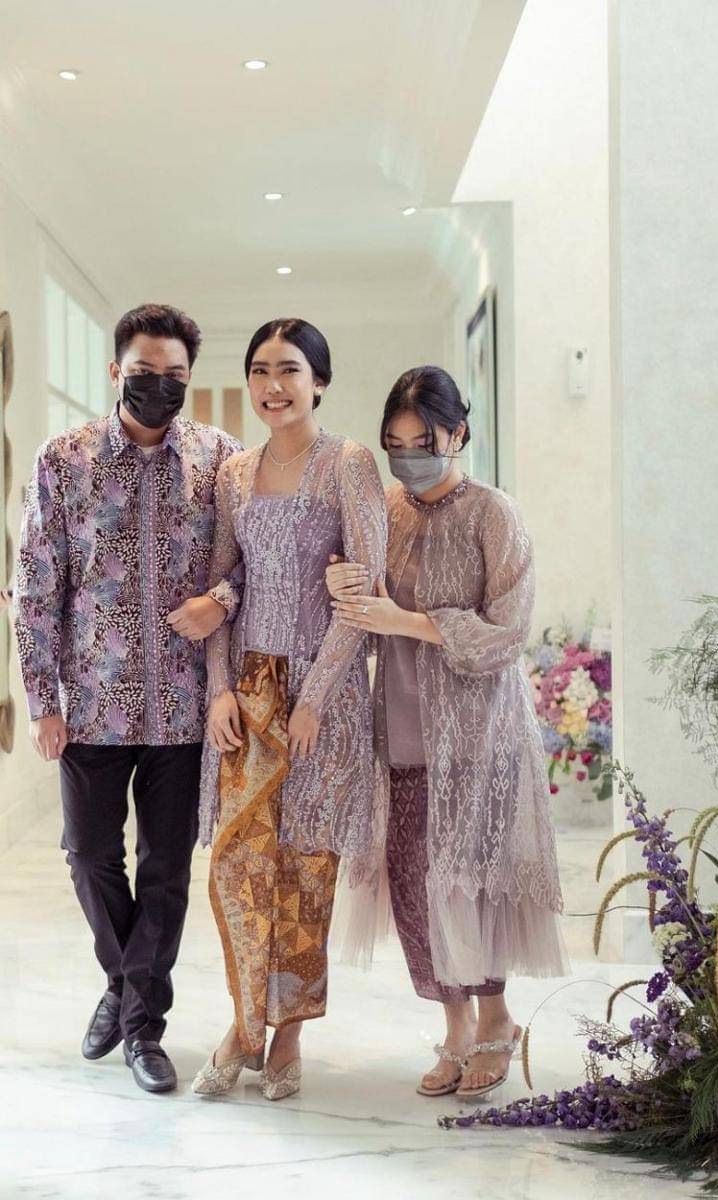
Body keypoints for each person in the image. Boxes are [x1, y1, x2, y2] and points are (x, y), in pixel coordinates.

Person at [13, 304, 243, 1093]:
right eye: (146, 372)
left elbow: (252, 560)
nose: (160, 386)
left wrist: (219, 599)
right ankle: (126, 981)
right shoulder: (63, 460)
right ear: (116, 372)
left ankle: (143, 1027)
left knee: (166, 870)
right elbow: (35, 588)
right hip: (92, 704)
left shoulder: (220, 460)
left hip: (182, 706)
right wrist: (42, 700)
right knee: (87, 855)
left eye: (176, 375)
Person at [327, 365, 566, 1100]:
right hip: (399, 727)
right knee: (412, 882)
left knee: (471, 881)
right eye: (395, 444)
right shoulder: (385, 510)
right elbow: (358, 606)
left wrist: (408, 621)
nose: (408, 458)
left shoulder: (494, 514)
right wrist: (343, 586)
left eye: (423, 442)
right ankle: (455, 1025)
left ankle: (496, 1021)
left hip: (478, 734)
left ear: (458, 433)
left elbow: (508, 632)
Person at [193, 318, 387, 1101]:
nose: (274, 385)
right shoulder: (234, 475)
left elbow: (364, 591)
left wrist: (314, 700)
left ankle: (288, 1035)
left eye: (291, 369)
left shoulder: (350, 464)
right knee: (239, 863)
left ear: (320, 382)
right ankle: (244, 1024)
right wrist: (218, 688)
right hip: (248, 690)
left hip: (323, 701)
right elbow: (219, 587)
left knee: (306, 867)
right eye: (261, 370)